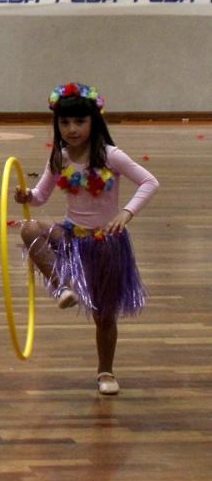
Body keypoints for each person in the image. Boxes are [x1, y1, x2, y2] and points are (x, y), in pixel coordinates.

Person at [16, 83, 157, 395]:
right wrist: (26, 195)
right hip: (70, 234)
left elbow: (149, 181)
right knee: (28, 229)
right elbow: (40, 196)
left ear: (95, 121)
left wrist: (126, 213)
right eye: (65, 123)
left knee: (104, 315)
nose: (72, 129)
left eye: (80, 121)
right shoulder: (59, 158)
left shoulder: (110, 156)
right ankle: (62, 287)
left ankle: (105, 370)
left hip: (105, 242)